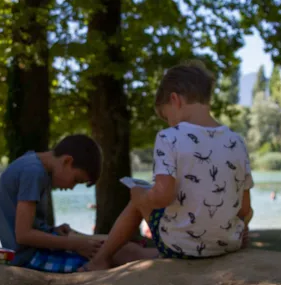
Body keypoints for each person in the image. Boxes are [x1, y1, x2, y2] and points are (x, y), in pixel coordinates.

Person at [82, 62, 254, 271]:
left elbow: (162, 195)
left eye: (166, 117)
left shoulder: (169, 137)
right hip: (229, 244)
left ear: (175, 100)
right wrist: (238, 230)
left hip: (182, 246)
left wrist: (142, 196)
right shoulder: (236, 141)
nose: (169, 124)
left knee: (137, 193)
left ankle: (100, 259)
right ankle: (126, 254)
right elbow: (245, 208)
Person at [0, 134, 135, 273]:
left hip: (36, 250)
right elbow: (23, 235)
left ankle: (153, 255)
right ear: (67, 161)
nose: (71, 187)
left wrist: (53, 230)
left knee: (114, 245)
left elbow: (26, 224)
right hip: (29, 258)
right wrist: (73, 245)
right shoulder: (33, 172)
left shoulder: (32, 163)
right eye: (76, 180)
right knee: (106, 257)